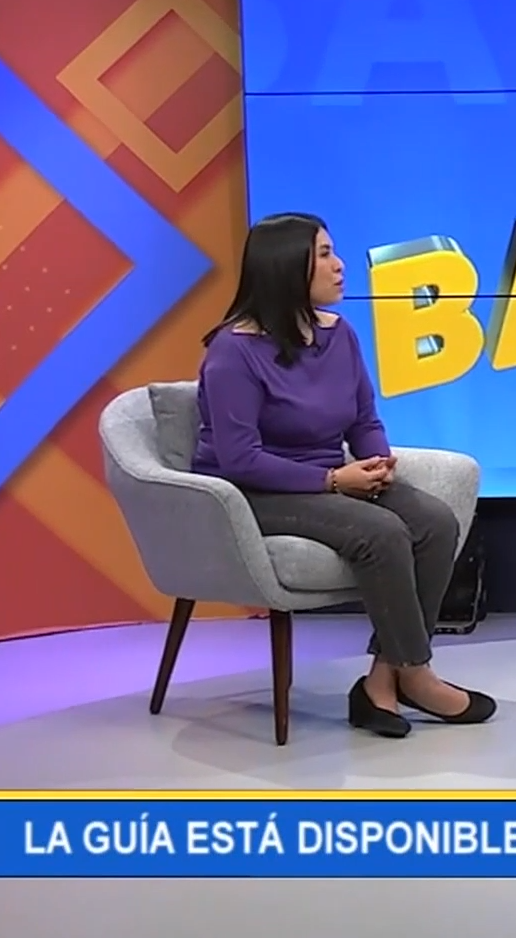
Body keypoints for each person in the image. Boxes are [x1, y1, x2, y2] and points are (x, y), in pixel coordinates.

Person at [190, 213, 496, 739]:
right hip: (253, 492)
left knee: (435, 521)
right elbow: (240, 459)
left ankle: (382, 679)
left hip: (331, 475)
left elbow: (363, 419)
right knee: (381, 533)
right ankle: (416, 674)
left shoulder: (338, 334)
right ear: (287, 267)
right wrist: (333, 480)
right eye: (326, 255)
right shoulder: (233, 352)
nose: (340, 266)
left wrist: (377, 463)